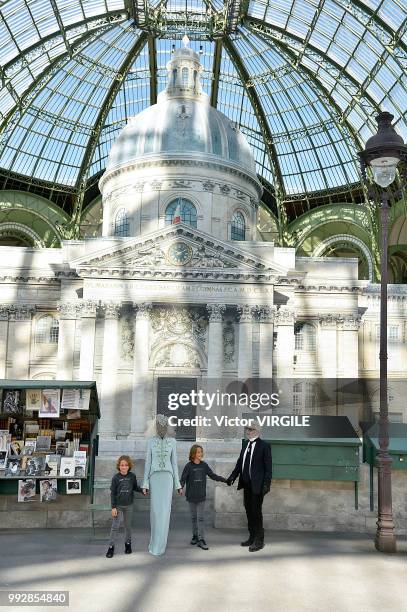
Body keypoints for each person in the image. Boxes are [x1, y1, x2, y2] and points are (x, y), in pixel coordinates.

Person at [226, 422, 272, 552]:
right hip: (246, 484)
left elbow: (268, 469)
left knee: (256, 512)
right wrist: (232, 477)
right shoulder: (245, 444)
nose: (248, 431)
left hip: (257, 486)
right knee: (248, 510)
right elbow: (240, 463)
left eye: (251, 429)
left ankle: (259, 540)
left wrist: (266, 485)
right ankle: (252, 537)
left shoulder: (264, 446)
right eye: (247, 429)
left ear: (258, 431)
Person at [142, 414, 182, 556]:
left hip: (167, 479)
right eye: (159, 426)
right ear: (155, 427)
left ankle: (160, 545)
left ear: (168, 427)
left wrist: (178, 484)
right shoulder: (151, 442)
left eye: (164, 426)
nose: (162, 428)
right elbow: (147, 463)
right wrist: (145, 483)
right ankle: (154, 542)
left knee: (165, 512)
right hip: (154, 477)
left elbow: (174, 464)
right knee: (155, 512)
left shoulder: (172, 442)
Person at [180, 444, 228, 550]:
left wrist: (224, 480)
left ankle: (201, 539)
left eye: (201, 452)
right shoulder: (188, 466)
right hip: (191, 496)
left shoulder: (204, 465)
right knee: (193, 518)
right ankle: (195, 536)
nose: (200, 454)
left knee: (200, 518)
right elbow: (183, 479)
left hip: (201, 496)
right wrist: (180, 487)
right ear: (193, 454)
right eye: (198, 452)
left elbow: (213, 475)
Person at [106, 455, 145, 558]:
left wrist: (142, 490)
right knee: (115, 526)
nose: (124, 467)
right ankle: (111, 547)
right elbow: (112, 493)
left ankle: (128, 544)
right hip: (118, 506)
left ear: (129, 466)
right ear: (119, 466)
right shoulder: (116, 478)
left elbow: (135, 487)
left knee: (128, 527)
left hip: (129, 505)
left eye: (126, 465)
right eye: (122, 465)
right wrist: (113, 507)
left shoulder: (132, 476)